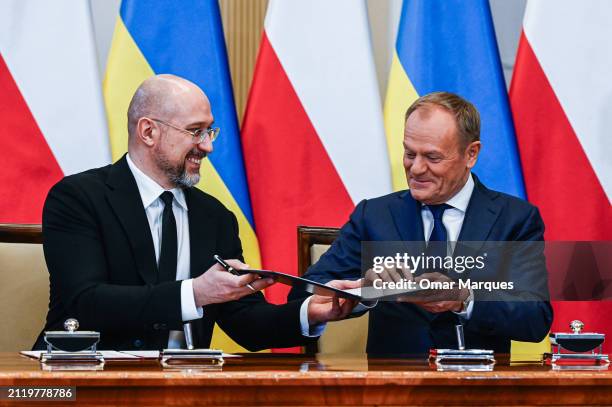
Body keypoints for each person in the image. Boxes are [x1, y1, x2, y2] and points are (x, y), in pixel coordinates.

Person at [34, 74, 358, 351]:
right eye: (196, 131)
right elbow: (85, 301)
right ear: (148, 132)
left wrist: (312, 311)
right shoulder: (78, 198)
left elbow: (244, 321)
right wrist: (196, 293)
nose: (208, 146)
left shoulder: (214, 217)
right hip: (86, 380)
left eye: (209, 132)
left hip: (187, 389)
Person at [290, 92, 552, 354]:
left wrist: (464, 300)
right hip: (392, 387)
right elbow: (303, 294)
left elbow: (535, 318)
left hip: (478, 386)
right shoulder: (375, 215)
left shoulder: (515, 219)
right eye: (409, 153)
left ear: (470, 154)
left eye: (432, 157)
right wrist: (366, 288)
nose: (415, 168)